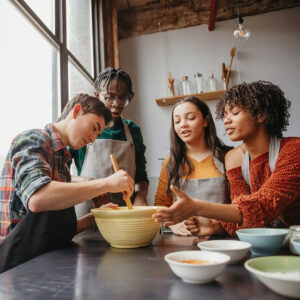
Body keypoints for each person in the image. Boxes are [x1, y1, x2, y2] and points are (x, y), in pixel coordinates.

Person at [0, 93, 134, 272]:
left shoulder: (63, 160)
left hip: (40, 261)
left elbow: (50, 230)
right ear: (77, 111)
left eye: (98, 134)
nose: (93, 139)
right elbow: (38, 198)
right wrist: (106, 183)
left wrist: (93, 218)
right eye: (94, 127)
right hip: (12, 265)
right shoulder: (32, 139)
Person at [153, 81, 300, 236]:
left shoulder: (293, 149)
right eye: (225, 115)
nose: (226, 121)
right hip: (268, 240)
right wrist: (215, 226)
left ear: (261, 115)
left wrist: (196, 207)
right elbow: (242, 217)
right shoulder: (234, 158)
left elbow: (262, 206)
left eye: (235, 113)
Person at [71, 67, 149, 218]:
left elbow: (140, 176)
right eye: (109, 97)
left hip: (126, 214)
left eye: (123, 98)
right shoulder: (84, 130)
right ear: (96, 96)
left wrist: (140, 196)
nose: (116, 104)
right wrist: (87, 182)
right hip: (88, 214)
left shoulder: (133, 131)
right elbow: (61, 176)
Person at [154, 96, 231, 236]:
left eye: (190, 118)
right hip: (182, 240)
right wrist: (173, 225)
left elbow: (240, 207)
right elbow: (160, 206)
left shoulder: (227, 158)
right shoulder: (170, 163)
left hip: (221, 237)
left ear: (205, 121)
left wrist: (217, 226)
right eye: (177, 121)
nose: (182, 124)